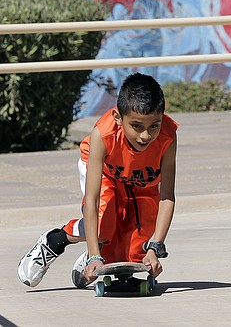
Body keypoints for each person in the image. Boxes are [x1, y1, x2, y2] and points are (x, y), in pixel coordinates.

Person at [17, 73, 178, 288]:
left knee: (134, 254)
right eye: (137, 126)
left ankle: (102, 253)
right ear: (118, 118)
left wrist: (155, 246)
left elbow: (166, 196)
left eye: (154, 126)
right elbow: (91, 200)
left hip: (140, 183)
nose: (145, 136)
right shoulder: (103, 135)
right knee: (105, 222)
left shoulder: (168, 136)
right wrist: (94, 256)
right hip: (105, 173)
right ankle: (55, 240)